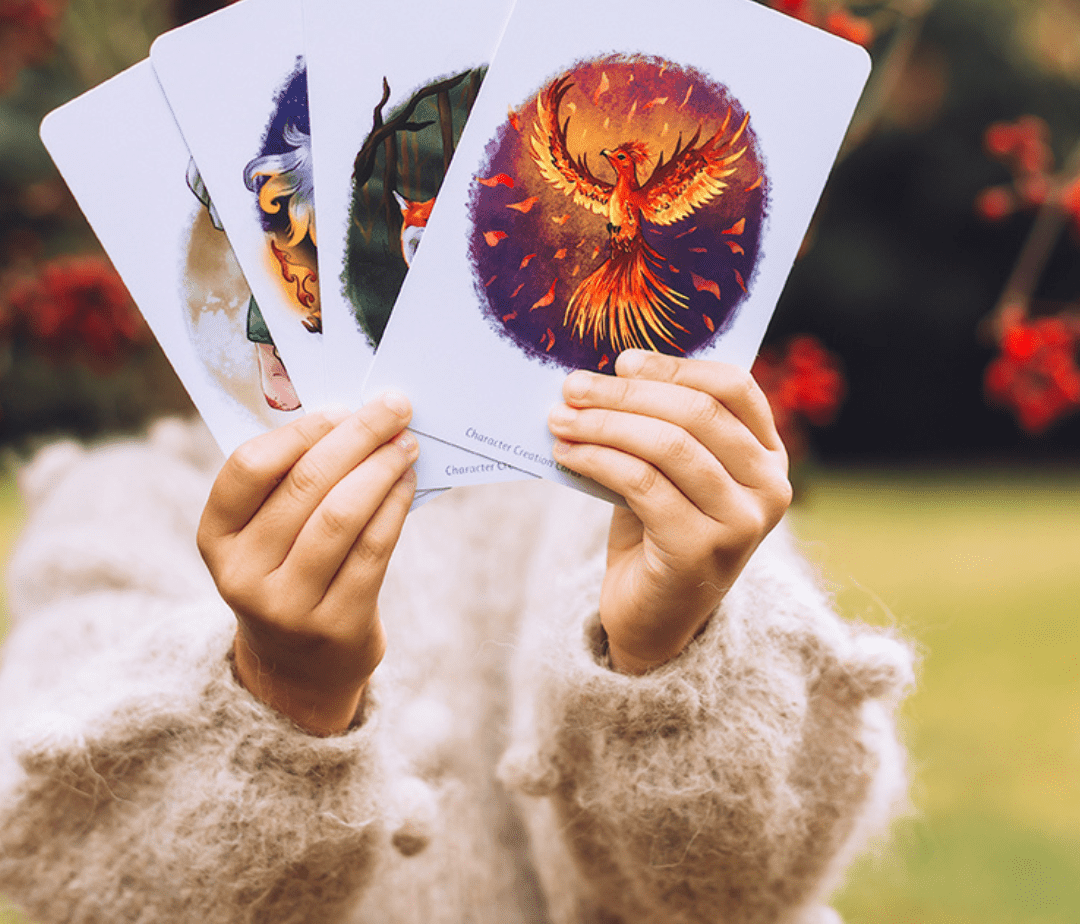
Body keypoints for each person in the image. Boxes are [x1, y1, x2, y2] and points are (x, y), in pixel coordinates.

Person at [0, 351, 913, 923]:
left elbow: (740, 897)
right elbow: (85, 876)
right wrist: (279, 697)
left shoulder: (654, 489)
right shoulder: (123, 509)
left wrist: (673, 655)